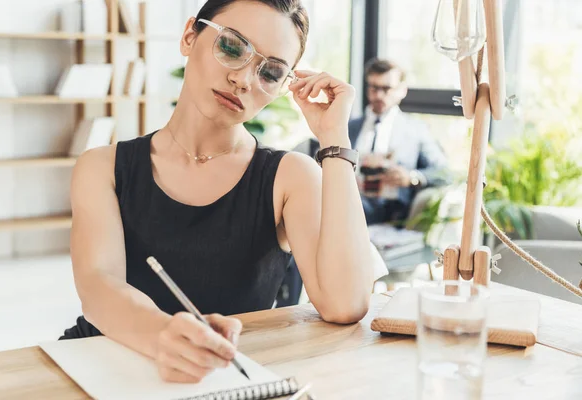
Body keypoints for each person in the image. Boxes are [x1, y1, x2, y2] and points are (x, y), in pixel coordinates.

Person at [62, 0, 383, 384]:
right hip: (101, 365)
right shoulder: (103, 167)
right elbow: (99, 287)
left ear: (284, 87)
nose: (244, 80)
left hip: (221, 379)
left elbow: (345, 303)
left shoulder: (289, 176)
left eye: (271, 72)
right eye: (232, 47)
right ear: (188, 37)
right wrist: (164, 335)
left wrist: (334, 141)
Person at [349, 58, 451, 226]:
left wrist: (412, 177)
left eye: (386, 88)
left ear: (402, 90)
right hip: (349, 197)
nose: (379, 95)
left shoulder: (416, 129)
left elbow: (444, 172)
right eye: (374, 87)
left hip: (389, 208)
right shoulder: (350, 127)